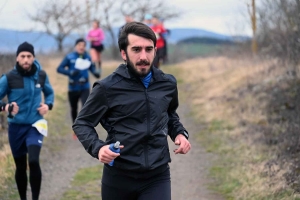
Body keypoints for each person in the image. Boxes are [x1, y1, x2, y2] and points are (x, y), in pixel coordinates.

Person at [73, 22, 191, 200]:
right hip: (118, 178)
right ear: (124, 53)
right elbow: (82, 123)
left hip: (157, 176)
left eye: (148, 49)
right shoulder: (107, 88)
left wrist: (180, 134)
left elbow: (169, 114)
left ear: (155, 50)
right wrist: (98, 148)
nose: (144, 56)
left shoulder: (167, 84)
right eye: (136, 49)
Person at [0, 42, 54, 200]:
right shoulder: (8, 78)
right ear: (17, 58)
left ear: (33, 57)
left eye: (29, 56)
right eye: (22, 56)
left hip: (35, 125)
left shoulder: (41, 75)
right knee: (21, 166)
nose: (26, 59)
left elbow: (49, 93)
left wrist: (47, 105)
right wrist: (6, 107)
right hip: (16, 127)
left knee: (34, 160)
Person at [57, 38, 100, 139]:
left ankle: (85, 129)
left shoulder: (88, 57)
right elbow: (59, 69)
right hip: (73, 87)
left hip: (84, 86)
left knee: (85, 107)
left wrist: (96, 72)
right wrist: (70, 73)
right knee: (74, 108)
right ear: (76, 46)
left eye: (83, 45)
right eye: (79, 45)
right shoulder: (69, 57)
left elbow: (93, 70)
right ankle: (75, 129)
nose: (81, 47)